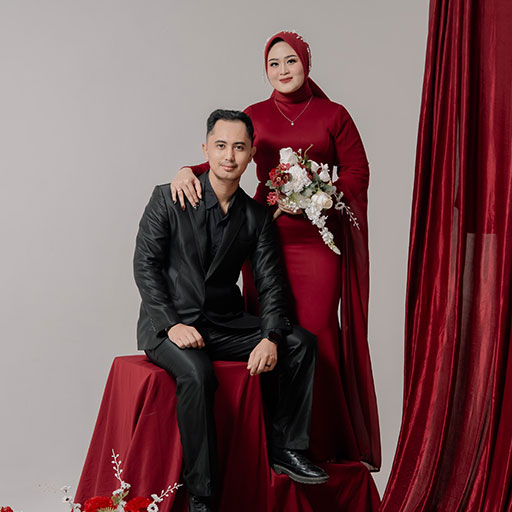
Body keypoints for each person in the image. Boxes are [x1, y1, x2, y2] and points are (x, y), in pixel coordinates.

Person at [171, 32, 381, 471]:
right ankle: (273, 440)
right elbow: (228, 154)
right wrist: (186, 170)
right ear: (265, 70)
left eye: (291, 61)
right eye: (274, 64)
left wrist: (318, 193)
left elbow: (357, 171)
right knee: (269, 329)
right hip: (264, 237)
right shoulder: (255, 114)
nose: (283, 70)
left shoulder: (334, 115)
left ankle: (320, 443)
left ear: (306, 62)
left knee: (317, 332)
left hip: (317, 241)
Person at [134, 109, 328, 512]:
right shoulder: (168, 197)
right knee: (197, 373)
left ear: (251, 154)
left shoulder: (255, 217)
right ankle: (202, 496)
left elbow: (271, 283)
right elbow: (145, 266)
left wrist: (271, 336)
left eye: (239, 147)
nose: (229, 155)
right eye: (220, 146)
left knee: (300, 343)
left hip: (223, 323)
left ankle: (287, 449)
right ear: (205, 150)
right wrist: (171, 325)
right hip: (167, 325)